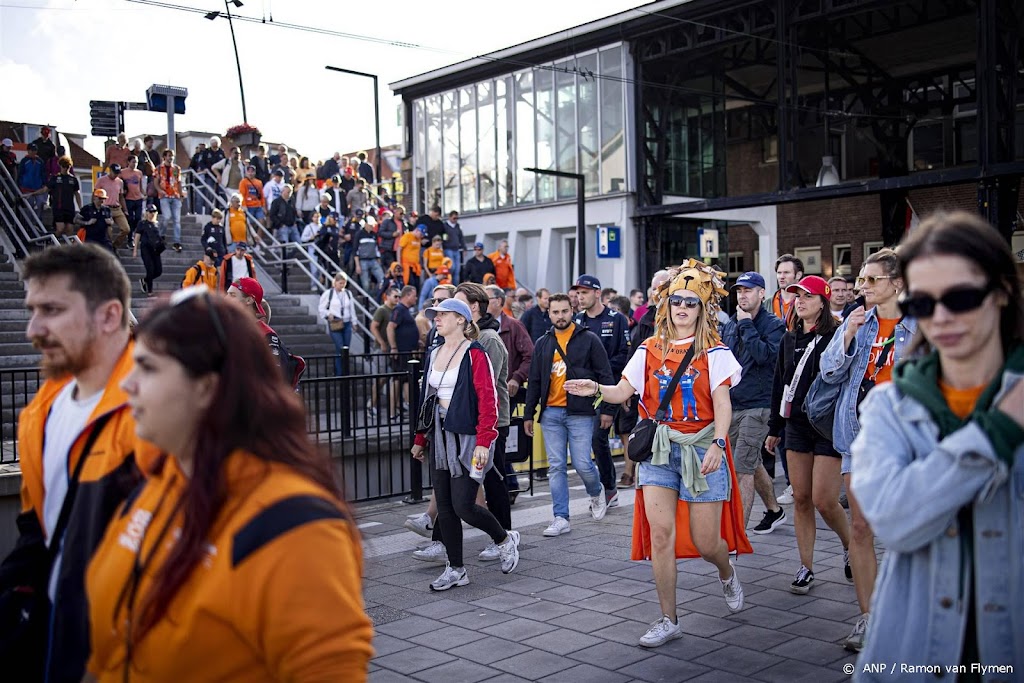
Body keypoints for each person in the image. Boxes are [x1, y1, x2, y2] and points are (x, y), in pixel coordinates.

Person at [85, 288, 373, 681]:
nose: (126, 385)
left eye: (148, 368)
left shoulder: (296, 528)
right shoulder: (159, 481)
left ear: (206, 388)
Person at [849, 211, 1023, 680]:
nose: (941, 317)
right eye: (923, 303)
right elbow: (896, 523)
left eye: (961, 297)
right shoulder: (890, 406)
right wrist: (998, 431)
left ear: (1002, 292)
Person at [565, 259, 749, 648]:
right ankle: (669, 618)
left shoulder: (714, 351)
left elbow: (723, 403)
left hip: (701, 451)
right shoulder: (648, 348)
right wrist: (595, 389)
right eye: (676, 301)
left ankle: (726, 570)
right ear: (665, 305)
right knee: (661, 536)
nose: (682, 307)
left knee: (706, 542)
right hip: (659, 452)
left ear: (702, 309)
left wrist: (718, 442)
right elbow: (621, 391)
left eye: (691, 301)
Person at [0, 245, 151, 683]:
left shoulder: (159, 413)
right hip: (54, 636)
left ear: (108, 316)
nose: (33, 329)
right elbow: (40, 529)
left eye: (51, 310)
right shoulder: (40, 412)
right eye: (32, 310)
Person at [819, 249, 917, 652]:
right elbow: (829, 371)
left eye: (871, 280)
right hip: (859, 438)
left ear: (897, 283)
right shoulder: (857, 322)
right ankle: (869, 619)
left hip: (907, 442)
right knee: (861, 528)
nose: (862, 287)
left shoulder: (922, 326)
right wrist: (845, 334)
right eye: (861, 280)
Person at [410, 298, 520, 590]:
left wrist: (485, 441)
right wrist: (421, 438)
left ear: (460, 319)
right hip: (441, 437)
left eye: (443, 314)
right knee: (444, 508)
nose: (437, 318)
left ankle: (504, 539)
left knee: (463, 506)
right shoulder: (433, 353)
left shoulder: (475, 353)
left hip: (469, 437)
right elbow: (427, 399)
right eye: (435, 315)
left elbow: (488, 400)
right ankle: (456, 569)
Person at [766, 275, 850, 595]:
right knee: (800, 499)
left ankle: (848, 547)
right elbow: (780, 385)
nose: (799, 301)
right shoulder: (789, 339)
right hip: (796, 427)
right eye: (796, 296)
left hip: (827, 428)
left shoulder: (836, 337)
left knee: (825, 500)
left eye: (806, 296)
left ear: (822, 302)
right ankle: (806, 566)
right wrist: (775, 428)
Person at [524, 293, 614, 536]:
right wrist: (528, 414)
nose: (560, 316)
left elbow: (605, 375)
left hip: (581, 412)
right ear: (549, 314)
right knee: (556, 467)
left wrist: (608, 410)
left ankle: (596, 492)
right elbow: (534, 380)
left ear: (571, 311)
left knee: (584, 463)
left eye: (564, 311)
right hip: (551, 413)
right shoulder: (543, 342)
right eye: (555, 312)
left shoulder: (589, 339)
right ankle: (560, 517)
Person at [720, 271, 787, 532]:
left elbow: (764, 357)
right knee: (751, 462)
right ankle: (774, 510)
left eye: (748, 290)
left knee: (741, 469)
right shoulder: (731, 323)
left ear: (762, 293)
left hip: (759, 405)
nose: (742, 295)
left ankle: (737, 535)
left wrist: (746, 325)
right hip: (733, 403)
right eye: (739, 291)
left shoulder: (773, 324)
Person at [572, 274, 631, 507]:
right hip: (580, 391)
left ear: (598, 293)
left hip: (607, 389)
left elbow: (623, 356)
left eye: (584, 292)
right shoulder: (576, 319)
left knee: (599, 439)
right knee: (585, 444)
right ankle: (600, 488)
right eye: (577, 293)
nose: (580, 297)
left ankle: (609, 489)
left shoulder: (617, 319)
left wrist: (608, 405)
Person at [319, 272, 356, 376]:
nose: (342, 286)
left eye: (344, 283)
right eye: (340, 283)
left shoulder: (348, 293)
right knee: (340, 347)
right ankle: (340, 373)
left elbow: (351, 308)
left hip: (347, 322)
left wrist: (354, 322)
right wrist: (328, 314)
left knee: (346, 348)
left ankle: (343, 371)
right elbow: (321, 308)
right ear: (335, 283)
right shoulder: (328, 293)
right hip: (335, 322)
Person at [41, 155, 80, 238]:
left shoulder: (73, 180)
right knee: (60, 229)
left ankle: (66, 248)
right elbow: (45, 189)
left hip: (69, 208)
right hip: (58, 207)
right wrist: (32, 194)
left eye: (67, 166)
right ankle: (50, 240)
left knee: (69, 229)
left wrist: (80, 207)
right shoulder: (55, 178)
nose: (65, 168)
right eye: (64, 166)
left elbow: (77, 194)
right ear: (60, 166)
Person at [154, 149, 183, 252]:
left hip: (175, 195)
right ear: (164, 157)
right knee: (166, 216)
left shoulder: (177, 168)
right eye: (169, 155)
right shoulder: (158, 168)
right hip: (164, 195)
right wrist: (159, 190)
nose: (171, 158)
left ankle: (177, 241)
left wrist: (181, 194)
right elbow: (156, 182)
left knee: (177, 220)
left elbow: (179, 182)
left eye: (172, 156)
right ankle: (161, 234)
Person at [134, 204, 164, 295]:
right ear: (147, 212)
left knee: (158, 271)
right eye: (150, 212)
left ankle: (145, 280)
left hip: (155, 249)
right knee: (150, 269)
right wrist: (135, 249)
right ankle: (150, 291)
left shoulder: (157, 224)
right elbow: (137, 236)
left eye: (154, 212)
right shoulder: (142, 223)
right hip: (145, 248)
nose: (152, 214)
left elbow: (160, 237)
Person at [353, 216, 385, 294]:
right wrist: (357, 265)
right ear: (366, 224)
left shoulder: (374, 235)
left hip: (373, 260)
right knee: (365, 284)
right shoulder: (359, 234)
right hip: (362, 261)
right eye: (370, 225)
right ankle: (366, 302)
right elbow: (355, 250)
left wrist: (379, 260)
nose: (372, 227)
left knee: (382, 279)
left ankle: (376, 295)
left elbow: (376, 249)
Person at [442, 211, 466, 284]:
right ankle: (450, 283)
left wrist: (464, 247)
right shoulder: (445, 226)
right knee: (452, 267)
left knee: (457, 269)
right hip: (448, 249)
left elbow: (461, 237)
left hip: (456, 249)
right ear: (450, 217)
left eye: (457, 218)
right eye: (454, 218)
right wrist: (445, 244)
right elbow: (444, 236)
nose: (455, 220)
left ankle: (456, 285)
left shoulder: (457, 226)